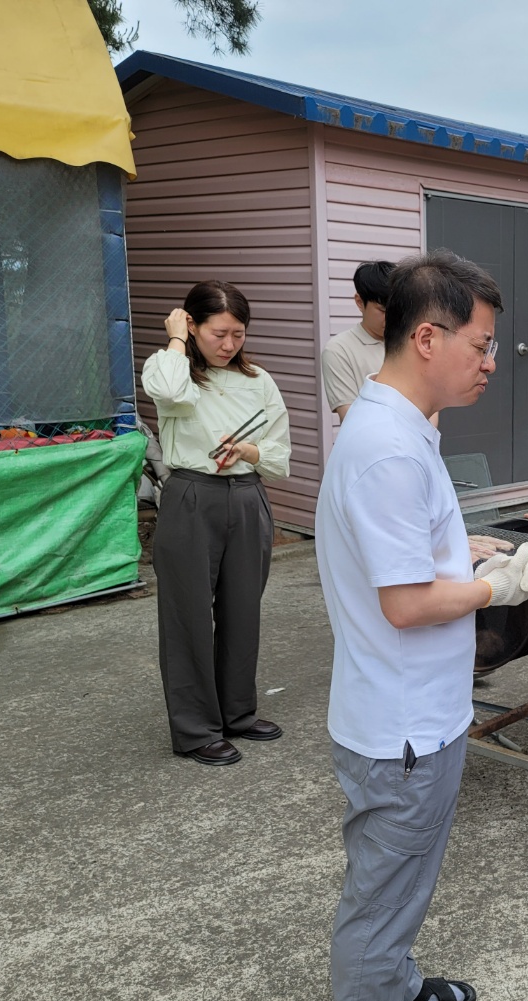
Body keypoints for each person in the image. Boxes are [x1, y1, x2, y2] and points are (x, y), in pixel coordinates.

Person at [315, 250, 528, 1001]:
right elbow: (407, 602)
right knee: (381, 901)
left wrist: (463, 549)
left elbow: (407, 551)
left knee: (401, 887)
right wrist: (496, 587)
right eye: (481, 345)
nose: (491, 362)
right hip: (403, 727)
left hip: (413, 711)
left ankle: (397, 987)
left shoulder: (399, 424)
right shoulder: (387, 445)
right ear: (427, 337)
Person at [141, 280, 292, 765]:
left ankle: (237, 713)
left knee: (242, 610)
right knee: (186, 615)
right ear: (192, 326)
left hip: (247, 496)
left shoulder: (258, 380)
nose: (228, 344)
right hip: (191, 495)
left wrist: (250, 451)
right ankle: (195, 729)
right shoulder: (172, 369)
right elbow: (168, 391)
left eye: (238, 334)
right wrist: (176, 338)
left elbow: (280, 454)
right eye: (217, 333)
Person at [322, 260, 396, 422]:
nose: (391, 317)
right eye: (383, 310)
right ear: (360, 302)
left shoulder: (411, 341)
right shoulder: (339, 350)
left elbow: (429, 403)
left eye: (396, 310)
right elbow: (350, 417)